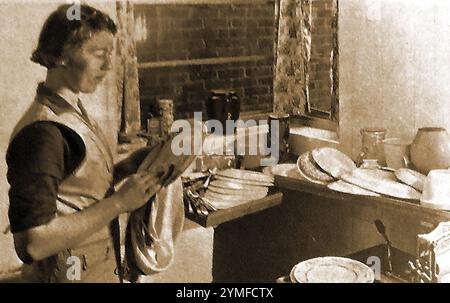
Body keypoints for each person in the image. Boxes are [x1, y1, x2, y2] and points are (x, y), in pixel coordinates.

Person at [6, 4, 161, 282]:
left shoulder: (70, 110)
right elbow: (33, 243)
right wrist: (119, 203)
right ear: (64, 54)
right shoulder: (43, 133)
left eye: (110, 55)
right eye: (99, 54)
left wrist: (127, 167)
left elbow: (76, 189)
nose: (108, 65)